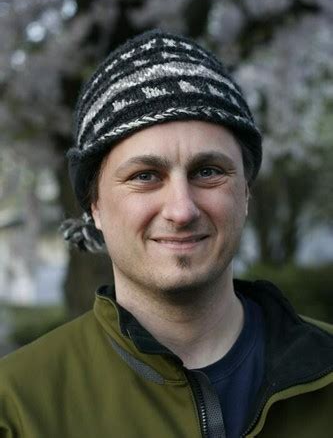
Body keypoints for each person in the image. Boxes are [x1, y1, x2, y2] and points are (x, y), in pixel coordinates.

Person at [0, 30, 332, 438]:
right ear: (94, 207)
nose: (182, 210)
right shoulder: (16, 407)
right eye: (145, 176)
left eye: (208, 171)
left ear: (245, 192)